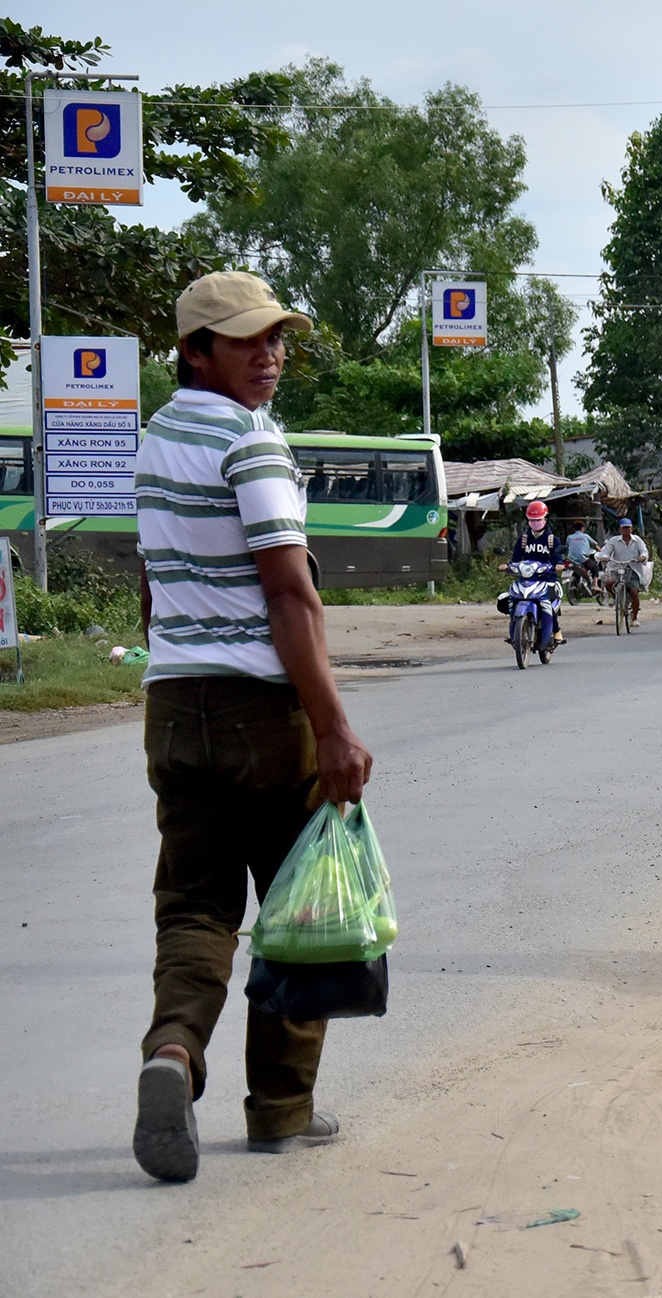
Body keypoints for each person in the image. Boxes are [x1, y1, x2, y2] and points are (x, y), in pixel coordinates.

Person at [131, 271, 374, 1183]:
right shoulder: (250, 441)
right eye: (245, 341)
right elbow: (288, 593)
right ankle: (279, 1110)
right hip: (262, 712)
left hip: (173, 704)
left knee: (194, 908)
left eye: (276, 339)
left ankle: (172, 1054)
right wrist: (335, 727)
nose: (269, 355)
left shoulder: (156, 440)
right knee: (295, 910)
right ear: (195, 351)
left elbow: (154, 582)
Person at [508, 501, 564, 648]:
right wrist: (508, 566)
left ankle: (556, 630)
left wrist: (559, 565)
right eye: (532, 520)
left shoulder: (553, 540)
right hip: (527, 579)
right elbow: (515, 559)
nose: (535, 523)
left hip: (547, 579)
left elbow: (558, 558)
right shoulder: (524, 540)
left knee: (549, 606)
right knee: (511, 600)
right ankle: (514, 630)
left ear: (545, 519)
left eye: (538, 520)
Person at [597, 517, 652, 623]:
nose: (626, 530)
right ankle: (613, 596)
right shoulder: (614, 541)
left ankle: (634, 617)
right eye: (624, 528)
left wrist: (642, 557)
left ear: (631, 529)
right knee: (609, 583)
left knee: (634, 592)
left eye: (628, 528)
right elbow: (606, 551)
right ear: (620, 529)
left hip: (633, 569)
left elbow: (644, 551)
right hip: (617, 568)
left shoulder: (637, 540)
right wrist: (604, 556)